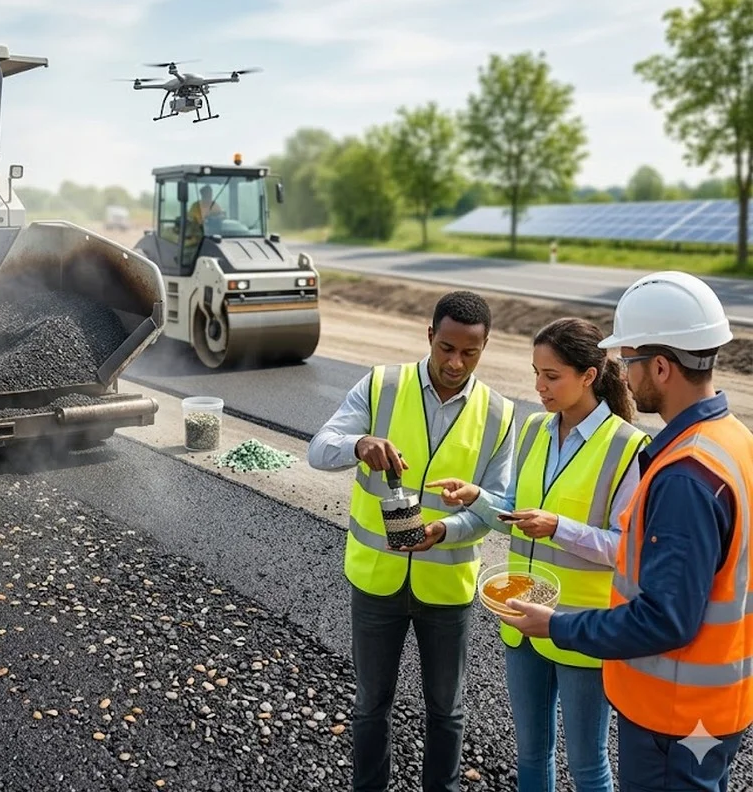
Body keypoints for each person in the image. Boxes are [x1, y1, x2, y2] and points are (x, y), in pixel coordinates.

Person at [501, 271, 753, 792]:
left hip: (677, 717)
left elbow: (666, 618)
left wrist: (560, 626)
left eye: (630, 361)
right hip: (714, 706)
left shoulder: (686, 473)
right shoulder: (734, 442)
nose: (626, 375)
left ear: (661, 366)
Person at [427, 317, 650, 792]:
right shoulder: (533, 430)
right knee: (530, 755)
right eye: (536, 373)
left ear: (589, 376)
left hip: (583, 627)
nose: (539, 386)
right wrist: (475, 498)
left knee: (589, 767)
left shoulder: (628, 447)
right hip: (521, 618)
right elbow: (513, 511)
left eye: (552, 376)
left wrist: (558, 528)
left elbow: (626, 548)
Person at [308, 290, 516, 792]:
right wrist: (359, 444)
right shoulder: (382, 386)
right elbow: (319, 449)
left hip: (446, 588)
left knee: (447, 709)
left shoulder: (499, 414)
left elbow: (499, 505)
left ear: (485, 347)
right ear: (430, 336)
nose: (455, 362)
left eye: (470, 352)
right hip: (376, 582)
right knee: (370, 704)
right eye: (446, 348)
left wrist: (448, 529)